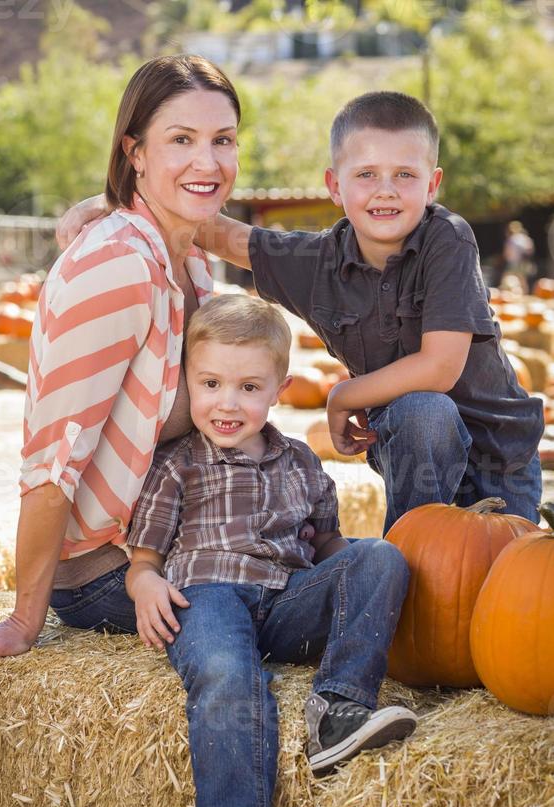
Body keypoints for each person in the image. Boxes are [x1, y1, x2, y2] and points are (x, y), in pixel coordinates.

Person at [60, 92, 544, 534]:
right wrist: (112, 202)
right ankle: (413, 564)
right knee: (423, 419)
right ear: (334, 185)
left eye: (405, 175)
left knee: (503, 598)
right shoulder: (316, 265)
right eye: (366, 174)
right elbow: (216, 232)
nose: (386, 190)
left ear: (432, 184)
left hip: (498, 459)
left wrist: (342, 396)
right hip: (415, 443)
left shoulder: (446, 239)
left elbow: (440, 366)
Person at [0, 54, 240, 691]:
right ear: (134, 151)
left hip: (170, 539)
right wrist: (21, 623)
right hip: (106, 573)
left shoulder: (192, 261)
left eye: (222, 140)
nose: (208, 161)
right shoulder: (117, 265)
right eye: (181, 140)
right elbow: (53, 459)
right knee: (306, 603)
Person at [125, 293, 416, 807]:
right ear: (187, 383)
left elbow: (332, 555)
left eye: (248, 387)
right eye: (210, 384)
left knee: (382, 556)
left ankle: (337, 708)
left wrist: (360, 584)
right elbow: (143, 560)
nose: (227, 403)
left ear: (280, 389)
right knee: (230, 679)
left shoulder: (303, 465)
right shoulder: (177, 465)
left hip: (283, 600)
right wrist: (145, 583)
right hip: (208, 597)